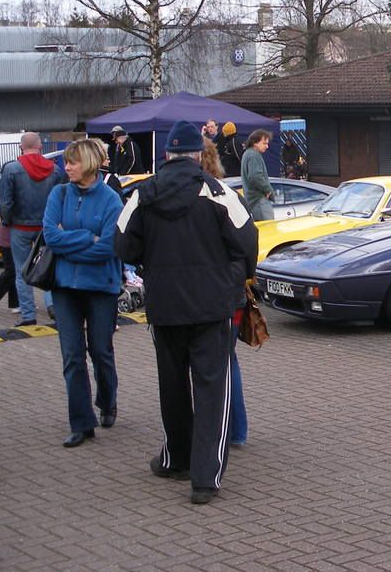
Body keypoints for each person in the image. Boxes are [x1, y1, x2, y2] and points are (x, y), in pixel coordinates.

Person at [115, 120, 257, 504]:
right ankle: (205, 477)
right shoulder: (218, 192)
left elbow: (123, 245)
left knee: (172, 386)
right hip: (212, 306)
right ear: (198, 154)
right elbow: (247, 243)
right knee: (213, 389)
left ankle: (176, 458)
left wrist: (153, 263)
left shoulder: (142, 195)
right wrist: (231, 278)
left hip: (165, 306)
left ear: (166, 155)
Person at [43, 140, 124, 448]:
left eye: (73, 162)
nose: (67, 167)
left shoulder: (111, 200)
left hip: (101, 287)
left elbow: (108, 247)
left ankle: (108, 400)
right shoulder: (59, 193)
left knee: (100, 351)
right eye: (66, 162)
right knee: (72, 356)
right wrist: (86, 239)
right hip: (64, 287)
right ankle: (81, 423)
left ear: (89, 163)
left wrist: (71, 243)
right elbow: (51, 236)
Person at [200, 137, 248, 447]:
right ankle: (236, 430)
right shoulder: (231, 196)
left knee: (218, 363)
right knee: (227, 360)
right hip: (231, 294)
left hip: (219, 295)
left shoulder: (218, 197)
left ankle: (227, 430)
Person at [0, 132, 66, 327]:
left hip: (19, 226)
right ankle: (53, 306)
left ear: (21, 147)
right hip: (46, 226)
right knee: (48, 265)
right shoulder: (54, 170)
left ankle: (28, 315)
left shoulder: (11, 169)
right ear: (40, 147)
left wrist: (6, 220)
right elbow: (60, 198)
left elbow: (5, 202)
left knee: (22, 270)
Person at [240, 129, 275, 221]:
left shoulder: (248, 154)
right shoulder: (253, 155)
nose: (267, 146)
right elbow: (256, 177)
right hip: (259, 199)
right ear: (255, 142)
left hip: (253, 200)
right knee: (269, 229)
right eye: (264, 143)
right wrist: (268, 190)